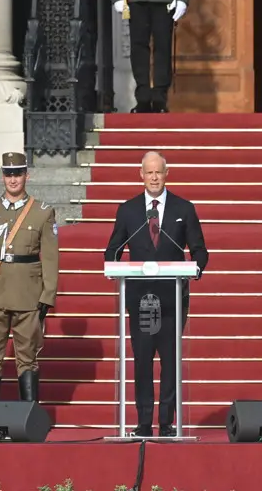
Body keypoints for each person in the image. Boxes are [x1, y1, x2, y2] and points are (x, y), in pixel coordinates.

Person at [104, 151, 208, 437]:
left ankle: (166, 422)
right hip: (140, 299)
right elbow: (112, 249)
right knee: (142, 360)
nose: (153, 177)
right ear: (140, 174)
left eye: (158, 172)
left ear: (166, 173)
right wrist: (112, 265)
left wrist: (194, 269)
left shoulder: (184, 208)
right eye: (148, 172)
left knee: (171, 362)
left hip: (172, 298)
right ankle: (143, 422)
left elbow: (199, 250)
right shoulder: (128, 210)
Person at [0, 152, 58, 402]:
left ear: (27, 175)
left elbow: (50, 257)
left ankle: (29, 412)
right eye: (8, 174)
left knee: (27, 356)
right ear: (2, 176)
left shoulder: (42, 212)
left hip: (28, 294)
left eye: (17, 174)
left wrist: (48, 294)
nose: (13, 179)